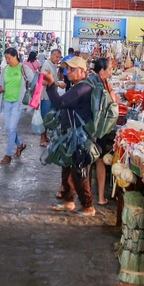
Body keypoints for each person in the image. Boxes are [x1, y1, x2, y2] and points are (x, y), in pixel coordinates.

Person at [42, 56, 96, 217]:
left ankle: (88, 206)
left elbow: (60, 103)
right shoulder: (78, 86)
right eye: (68, 69)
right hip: (72, 135)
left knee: (79, 172)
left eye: (72, 69)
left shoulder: (82, 88)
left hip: (81, 137)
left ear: (83, 71)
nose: (68, 72)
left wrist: (51, 85)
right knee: (67, 168)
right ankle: (68, 199)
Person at [91, 57, 118, 206]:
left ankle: (90, 197)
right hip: (97, 128)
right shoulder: (99, 84)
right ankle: (98, 198)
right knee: (97, 160)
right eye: (110, 69)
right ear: (102, 71)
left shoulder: (100, 82)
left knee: (93, 160)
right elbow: (113, 102)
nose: (111, 71)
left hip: (97, 128)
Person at [0, 47, 29, 164]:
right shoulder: (5, 69)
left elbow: (35, 80)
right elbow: (1, 84)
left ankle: (8, 155)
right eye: (6, 58)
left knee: (12, 128)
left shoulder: (23, 68)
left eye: (9, 58)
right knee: (8, 128)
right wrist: (0, 89)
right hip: (7, 101)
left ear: (15, 56)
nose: (7, 60)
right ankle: (20, 144)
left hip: (18, 103)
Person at [38, 48, 64, 148]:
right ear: (52, 55)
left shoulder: (53, 65)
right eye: (56, 57)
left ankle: (45, 137)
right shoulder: (46, 65)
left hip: (51, 95)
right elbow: (42, 81)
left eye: (59, 58)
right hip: (46, 96)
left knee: (49, 117)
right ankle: (42, 139)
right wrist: (57, 84)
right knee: (45, 118)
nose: (58, 59)